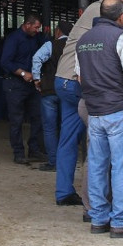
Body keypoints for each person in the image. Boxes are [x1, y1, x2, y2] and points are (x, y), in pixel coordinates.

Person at [54, 0, 123, 208]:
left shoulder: (88, 34)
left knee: (71, 139)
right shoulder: (108, 20)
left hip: (64, 79)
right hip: (79, 87)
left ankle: (67, 193)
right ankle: (105, 207)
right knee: (104, 151)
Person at [74, 0, 123, 238]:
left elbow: (81, 78)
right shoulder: (122, 37)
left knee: (97, 165)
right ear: (120, 16)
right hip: (119, 111)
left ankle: (99, 218)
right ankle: (121, 220)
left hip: (96, 112)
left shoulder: (83, 40)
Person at [0, 15, 45, 164]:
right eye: (35, 27)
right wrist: (23, 73)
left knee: (37, 116)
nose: (37, 30)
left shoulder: (36, 38)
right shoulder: (13, 39)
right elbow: (5, 62)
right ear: (26, 25)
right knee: (16, 119)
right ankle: (18, 152)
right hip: (15, 83)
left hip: (32, 83)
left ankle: (34, 148)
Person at [32, 20, 73, 172]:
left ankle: (53, 161)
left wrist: (36, 78)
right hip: (68, 90)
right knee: (67, 126)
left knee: (49, 128)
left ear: (58, 32)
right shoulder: (74, 46)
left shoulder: (51, 45)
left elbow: (37, 58)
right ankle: (67, 161)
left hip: (49, 89)